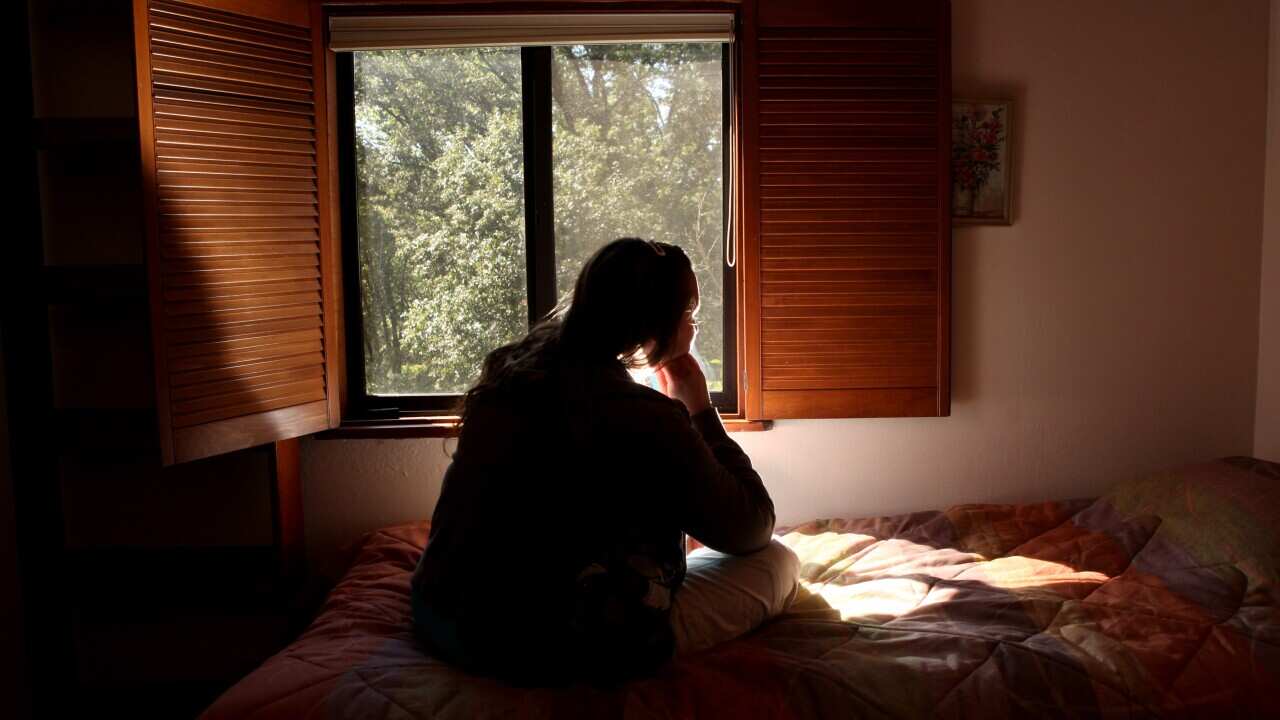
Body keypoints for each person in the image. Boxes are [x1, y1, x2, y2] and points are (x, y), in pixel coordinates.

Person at [410, 237, 782, 686]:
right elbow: (752, 525)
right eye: (690, 316)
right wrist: (701, 410)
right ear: (657, 326)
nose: (695, 329)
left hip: (445, 615)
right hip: (554, 642)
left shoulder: (510, 378)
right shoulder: (645, 416)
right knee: (777, 562)